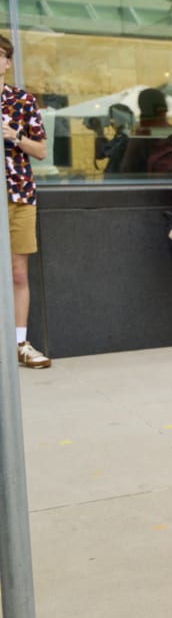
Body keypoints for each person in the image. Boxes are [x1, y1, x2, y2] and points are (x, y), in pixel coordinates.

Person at [3, 35, 50, 369]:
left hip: (18, 194)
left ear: (7, 62)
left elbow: (41, 150)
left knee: (19, 273)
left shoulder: (22, 100)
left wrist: (14, 135)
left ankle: (20, 343)